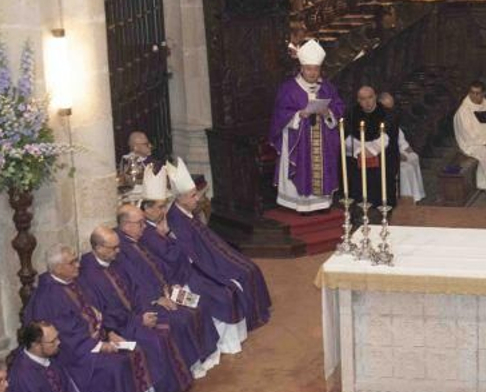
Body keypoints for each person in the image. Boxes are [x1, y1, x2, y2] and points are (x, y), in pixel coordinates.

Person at [23, 245, 152, 392]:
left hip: (91, 341)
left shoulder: (72, 282)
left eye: (76, 260)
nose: (78, 265)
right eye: (72, 262)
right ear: (57, 268)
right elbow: (65, 336)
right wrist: (99, 345)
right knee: (114, 363)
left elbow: (94, 313)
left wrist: (109, 333)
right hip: (73, 353)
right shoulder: (49, 297)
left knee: (133, 350)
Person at [79, 224, 201, 392]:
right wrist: (138, 320)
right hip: (119, 328)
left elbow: (135, 288)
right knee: (158, 338)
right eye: (113, 248)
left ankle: (181, 376)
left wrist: (145, 311)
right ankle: (163, 388)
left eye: (118, 247)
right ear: (98, 248)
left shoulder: (114, 261)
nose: (118, 251)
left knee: (179, 319)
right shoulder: (88, 275)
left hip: (137, 314)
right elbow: (102, 312)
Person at [138, 173, 246, 356]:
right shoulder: (149, 233)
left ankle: (229, 342)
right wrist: (168, 236)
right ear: (146, 209)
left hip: (185, 274)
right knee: (217, 298)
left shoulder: (156, 226)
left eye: (165, 206)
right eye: (159, 207)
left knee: (229, 289)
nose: (164, 211)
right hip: (175, 284)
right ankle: (215, 347)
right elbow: (174, 256)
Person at [166, 163, 274, 332]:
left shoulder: (185, 208)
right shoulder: (175, 218)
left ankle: (259, 310)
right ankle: (253, 316)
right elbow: (192, 254)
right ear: (180, 199)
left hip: (215, 253)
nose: (197, 199)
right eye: (193, 196)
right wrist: (215, 268)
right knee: (244, 274)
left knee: (252, 268)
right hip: (207, 263)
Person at [112, 203, 225, 360]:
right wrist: (156, 298)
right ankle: (191, 362)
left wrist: (171, 283)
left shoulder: (135, 238)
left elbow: (157, 264)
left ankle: (206, 355)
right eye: (140, 223)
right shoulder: (119, 248)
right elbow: (132, 282)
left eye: (144, 222)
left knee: (199, 303)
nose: (144, 227)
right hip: (150, 301)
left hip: (167, 289)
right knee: (182, 319)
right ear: (125, 225)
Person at [268, 38, 345, 212]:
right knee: (302, 166)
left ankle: (321, 204)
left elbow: (339, 106)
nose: (312, 73)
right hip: (298, 139)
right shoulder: (289, 88)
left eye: (316, 69)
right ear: (302, 68)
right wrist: (297, 115)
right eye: (309, 69)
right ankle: (299, 204)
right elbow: (279, 113)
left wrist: (328, 113)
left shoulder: (327, 87)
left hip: (322, 139)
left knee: (321, 167)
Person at [344, 84, 400, 208]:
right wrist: (360, 150)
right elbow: (347, 137)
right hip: (358, 161)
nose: (367, 102)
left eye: (370, 97)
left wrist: (372, 150)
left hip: (383, 161)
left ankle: (385, 216)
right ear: (358, 100)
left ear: (375, 97)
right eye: (363, 99)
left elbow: (387, 137)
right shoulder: (352, 114)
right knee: (360, 189)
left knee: (383, 191)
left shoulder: (388, 113)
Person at [378, 90, 424, 203]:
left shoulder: (390, 119)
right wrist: (398, 156)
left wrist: (408, 150)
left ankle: (416, 196)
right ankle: (405, 200)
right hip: (385, 158)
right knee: (405, 169)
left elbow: (400, 138)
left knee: (414, 157)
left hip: (397, 152)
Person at [453, 80, 486, 191]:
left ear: (484, 93)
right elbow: (469, 134)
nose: (474, 96)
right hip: (471, 144)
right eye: (472, 92)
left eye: (477, 93)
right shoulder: (464, 111)